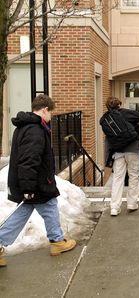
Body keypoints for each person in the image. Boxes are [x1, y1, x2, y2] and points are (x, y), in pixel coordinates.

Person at [0, 95, 76, 267]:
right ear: (44, 110)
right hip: (37, 183)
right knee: (49, 207)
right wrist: (27, 187)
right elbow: (29, 160)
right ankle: (57, 242)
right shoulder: (35, 130)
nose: (51, 117)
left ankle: (56, 241)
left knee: (24, 212)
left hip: (34, 182)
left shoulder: (26, 127)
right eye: (51, 113)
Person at [100, 96, 139, 216]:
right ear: (118, 104)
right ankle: (132, 203)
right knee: (133, 175)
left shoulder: (105, 119)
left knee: (118, 178)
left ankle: (114, 207)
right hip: (132, 148)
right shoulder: (124, 113)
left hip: (118, 151)